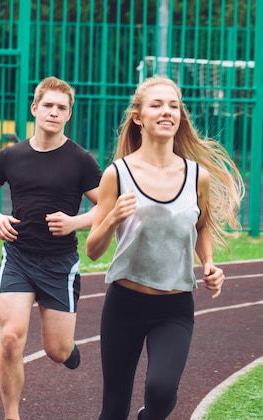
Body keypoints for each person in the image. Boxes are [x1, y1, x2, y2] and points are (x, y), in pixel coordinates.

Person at [85, 75, 243, 420]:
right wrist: (111, 218)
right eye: (157, 105)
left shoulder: (197, 175)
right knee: (112, 411)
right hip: (124, 303)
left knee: (160, 393)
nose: (167, 111)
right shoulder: (117, 173)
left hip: (174, 307)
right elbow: (93, 251)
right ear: (138, 117)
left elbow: (200, 225)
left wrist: (210, 263)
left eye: (173, 105)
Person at [0, 76, 101, 420]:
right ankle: (12, 416)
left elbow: (107, 206)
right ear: (35, 109)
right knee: (10, 337)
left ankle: (67, 350)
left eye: (62, 108)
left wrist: (75, 222)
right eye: (49, 106)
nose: (54, 113)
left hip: (60, 262)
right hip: (18, 258)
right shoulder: (11, 155)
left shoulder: (81, 160)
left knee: (56, 350)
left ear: (69, 115)